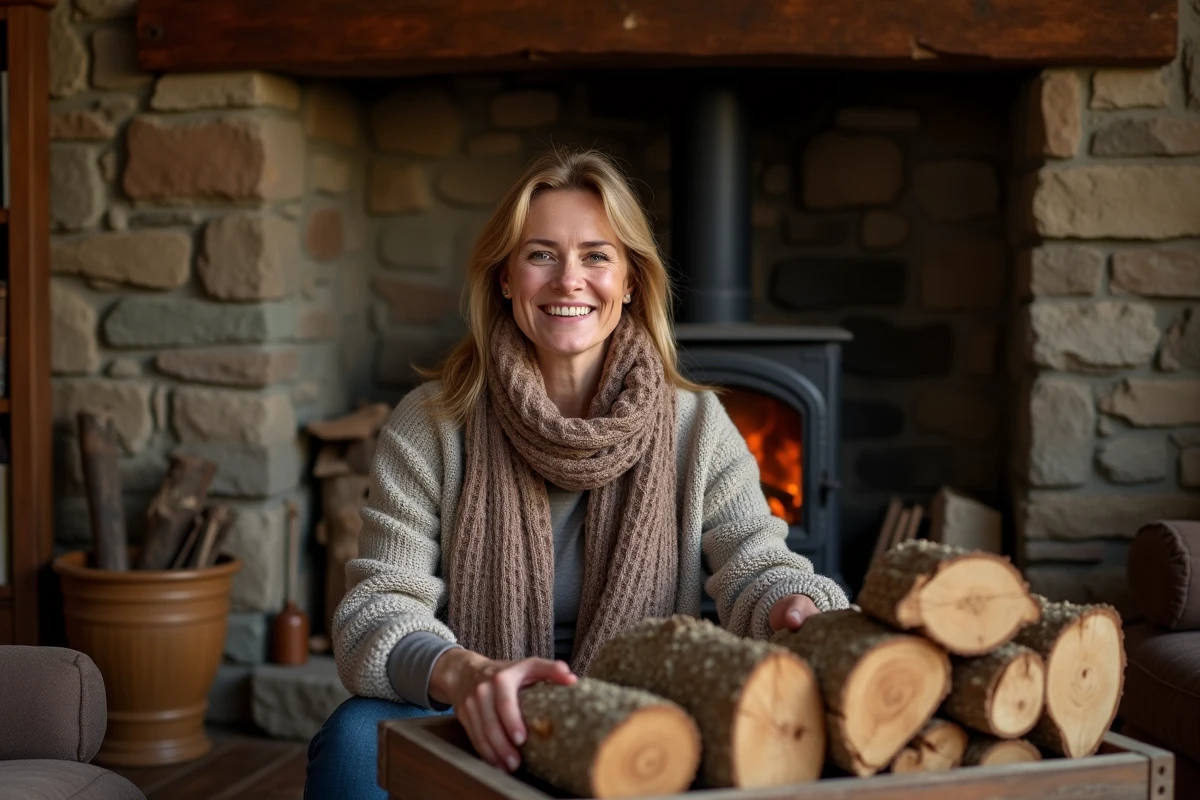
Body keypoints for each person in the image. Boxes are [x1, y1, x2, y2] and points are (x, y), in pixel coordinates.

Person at [304, 148, 849, 799]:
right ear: (505, 278)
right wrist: (465, 674)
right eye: (540, 254)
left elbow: (757, 566)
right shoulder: (432, 423)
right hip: (475, 710)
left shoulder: (696, 425)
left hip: (638, 713)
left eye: (596, 255)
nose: (569, 280)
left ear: (630, 282)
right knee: (352, 743)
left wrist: (796, 606)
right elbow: (376, 608)